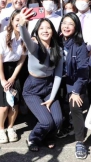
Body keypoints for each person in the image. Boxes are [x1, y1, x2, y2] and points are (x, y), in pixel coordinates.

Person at [18, 9, 63, 152]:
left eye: (48, 28)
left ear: (53, 31)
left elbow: (58, 75)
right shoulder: (34, 47)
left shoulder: (58, 50)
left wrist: (52, 98)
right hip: (33, 88)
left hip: (50, 86)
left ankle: (48, 137)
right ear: (37, 31)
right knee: (46, 121)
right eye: (41, 28)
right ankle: (33, 138)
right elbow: (25, 37)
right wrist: (22, 24)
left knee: (58, 120)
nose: (45, 30)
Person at [0, 10, 27, 144]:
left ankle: (11, 127)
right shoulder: (3, 36)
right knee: (4, 104)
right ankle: (1, 128)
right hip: (1, 70)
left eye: (22, 20)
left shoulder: (25, 37)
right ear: (11, 21)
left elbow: (22, 59)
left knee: (14, 103)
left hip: (15, 70)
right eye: (17, 19)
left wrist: (13, 77)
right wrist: (4, 79)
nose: (19, 23)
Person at [59, 12, 89, 159]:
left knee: (75, 106)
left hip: (75, 82)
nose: (66, 26)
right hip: (58, 82)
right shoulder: (56, 41)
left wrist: (76, 91)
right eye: (64, 23)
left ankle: (80, 141)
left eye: (70, 24)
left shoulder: (80, 45)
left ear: (76, 27)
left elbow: (83, 71)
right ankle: (64, 127)